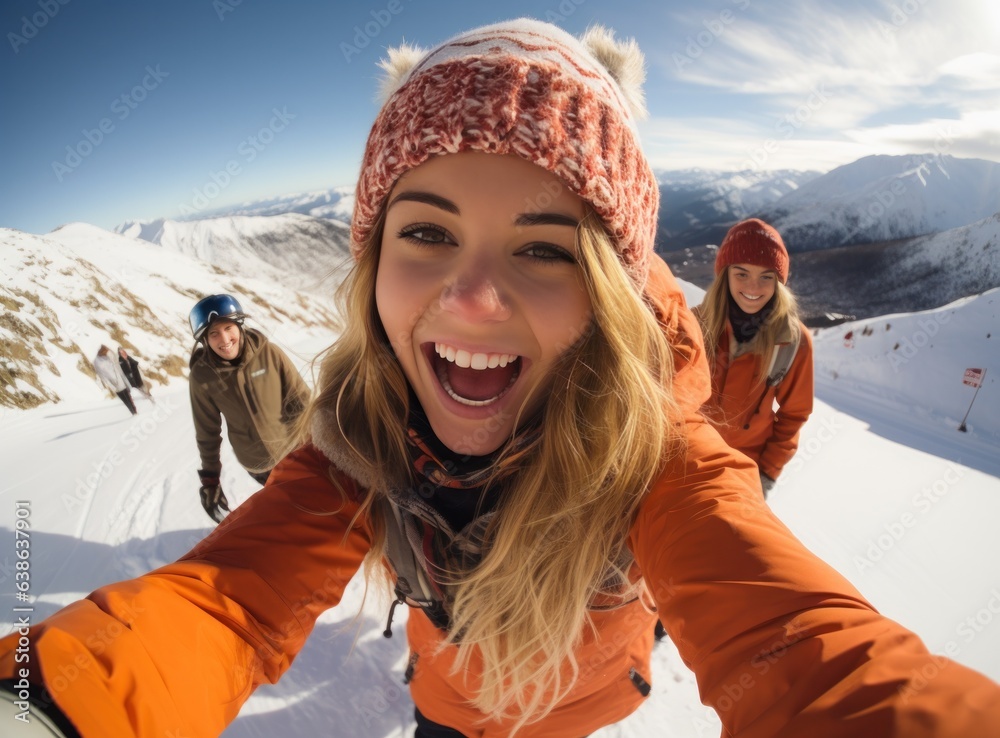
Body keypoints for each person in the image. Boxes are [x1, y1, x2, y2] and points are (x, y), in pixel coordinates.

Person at [1, 19, 998, 738]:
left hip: (580, 707)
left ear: (610, 289)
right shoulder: (358, 437)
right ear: (372, 266)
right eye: (428, 232)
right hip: (444, 697)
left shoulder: (660, 457)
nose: (472, 299)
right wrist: (43, 703)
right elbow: (223, 602)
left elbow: (808, 651)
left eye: (546, 249)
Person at [694, 218, 814, 498]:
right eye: (742, 273)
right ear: (725, 275)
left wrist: (766, 473)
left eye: (766, 277)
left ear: (779, 282)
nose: (754, 287)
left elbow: (793, 415)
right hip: (685, 458)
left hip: (743, 472)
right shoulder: (694, 325)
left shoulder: (792, 341)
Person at [187, 293, 310, 522]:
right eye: (213, 333)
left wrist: (317, 443)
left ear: (239, 325)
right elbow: (208, 433)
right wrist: (210, 479)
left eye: (228, 328)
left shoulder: (270, 353)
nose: (224, 339)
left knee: (316, 505)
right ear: (205, 340)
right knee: (292, 511)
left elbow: (301, 400)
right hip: (258, 464)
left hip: (295, 451)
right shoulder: (203, 377)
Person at [92, 344, 137, 416]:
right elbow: (102, 376)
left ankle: (134, 411)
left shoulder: (107, 356)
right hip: (113, 382)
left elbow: (115, 362)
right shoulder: (97, 362)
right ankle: (133, 412)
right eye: (105, 351)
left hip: (119, 379)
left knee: (128, 396)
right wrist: (111, 386)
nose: (106, 353)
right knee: (124, 399)